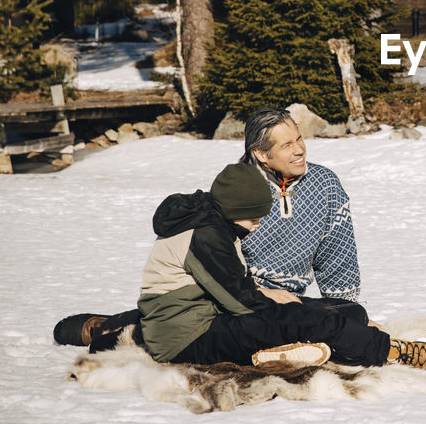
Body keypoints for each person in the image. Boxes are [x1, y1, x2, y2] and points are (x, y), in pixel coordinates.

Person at [54, 107, 366, 349]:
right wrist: (259, 293)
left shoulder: (325, 184)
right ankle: (109, 328)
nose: (299, 150)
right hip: (229, 297)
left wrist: (346, 310)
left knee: (352, 317)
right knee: (223, 328)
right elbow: (213, 260)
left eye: (299, 139)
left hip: (288, 299)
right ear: (261, 154)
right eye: (287, 145)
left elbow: (337, 253)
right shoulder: (238, 188)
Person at [134, 161, 426, 370]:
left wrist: (280, 298)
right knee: (300, 318)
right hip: (188, 338)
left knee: (344, 311)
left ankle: (283, 351)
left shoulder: (214, 223)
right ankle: (394, 352)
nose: (258, 225)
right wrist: (281, 303)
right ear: (233, 208)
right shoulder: (207, 236)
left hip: (212, 318)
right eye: (253, 217)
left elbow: (228, 288)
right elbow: (242, 302)